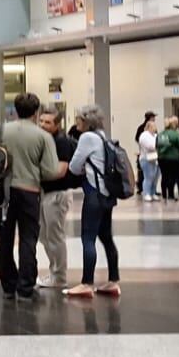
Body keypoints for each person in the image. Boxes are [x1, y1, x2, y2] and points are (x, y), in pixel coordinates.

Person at [0, 94, 61, 299]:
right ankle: (25, 286)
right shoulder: (43, 136)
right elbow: (50, 170)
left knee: (4, 241)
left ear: (15, 110)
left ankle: (8, 284)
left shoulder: (2, 130)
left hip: (5, 192)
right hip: (30, 192)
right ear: (36, 112)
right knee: (28, 239)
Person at [64, 105, 120, 298]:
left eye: (78, 119)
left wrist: (81, 170)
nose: (76, 122)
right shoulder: (103, 136)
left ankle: (87, 283)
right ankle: (113, 281)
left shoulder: (87, 138)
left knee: (88, 239)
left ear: (85, 121)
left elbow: (74, 166)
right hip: (107, 195)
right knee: (106, 238)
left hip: (94, 194)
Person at [37, 106, 77, 289]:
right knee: (44, 236)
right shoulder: (44, 140)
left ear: (57, 124)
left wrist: (35, 175)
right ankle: (54, 272)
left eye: (48, 122)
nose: (43, 125)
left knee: (54, 236)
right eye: (41, 121)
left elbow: (60, 171)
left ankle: (59, 276)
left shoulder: (61, 142)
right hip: (45, 193)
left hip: (57, 194)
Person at [156, 115, 179, 202]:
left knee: (164, 176)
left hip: (161, 159)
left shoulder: (160, 134)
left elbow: (157, 145)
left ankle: (164, 194)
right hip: (174, 159)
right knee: (172, 177)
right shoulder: (176, 134)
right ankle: (171, 195)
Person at [136, 113, 160, 201]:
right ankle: (146, 193)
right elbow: (151, 146)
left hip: (155, 159)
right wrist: (159, 145)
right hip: (146, 159)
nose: (155, 128)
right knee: (148, 177)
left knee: (155, 177)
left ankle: (153, 193)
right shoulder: (144, 135)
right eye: (153, 126)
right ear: (149, 127)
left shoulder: (155, 135)